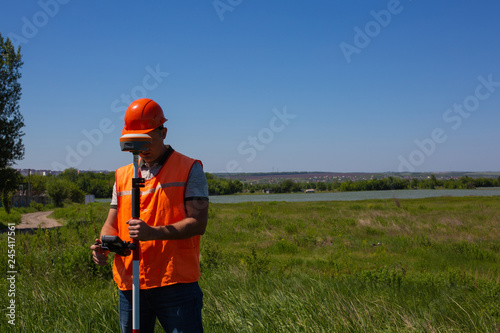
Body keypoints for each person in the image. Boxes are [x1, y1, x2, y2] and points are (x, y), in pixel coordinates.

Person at [90, 98, 209, 333]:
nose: (142, 146)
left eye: (147, 138)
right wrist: (104, 244)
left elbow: (198, 223)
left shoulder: (189, 168)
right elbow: (110, 224)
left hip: (175, 283)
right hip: (130, 283)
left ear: (163, 132)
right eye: (135, 140)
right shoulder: (122, 175)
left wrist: (152, 233)